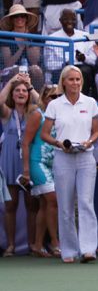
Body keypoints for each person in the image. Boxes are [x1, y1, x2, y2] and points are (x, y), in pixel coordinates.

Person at [41, 66, 98, 264]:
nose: (75, 83)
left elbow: (96, 132)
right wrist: (59, 143)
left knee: (86, 203)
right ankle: (68, 250)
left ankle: (88, 249)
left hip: (86, 157)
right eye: (71, 79)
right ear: (64, 82)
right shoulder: (54, 105)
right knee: (65, 206)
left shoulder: (90, 102)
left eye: (78, 79)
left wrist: (88, 142)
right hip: (63, 157)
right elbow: (45, 134)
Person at [0, 73, 40, 257]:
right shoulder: (7, 113)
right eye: (18, 90)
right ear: (12, 94)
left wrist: (30, 86)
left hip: (28, 163)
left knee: (32, 205)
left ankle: (32, 244)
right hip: (10, 163)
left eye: (24, 91)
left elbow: (44, 104)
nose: (21, 93)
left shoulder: (34, 113)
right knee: (10, 206)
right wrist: (11, 82)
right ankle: (10, 245)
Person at [21, 84, 61, 258]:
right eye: (52, 96)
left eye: (58, 96)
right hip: (38, 163)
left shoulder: (61, 115)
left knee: (45, 205)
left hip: (54, 163)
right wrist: (26, 170)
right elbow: (25, 142)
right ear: (44, 98)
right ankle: (55, 243)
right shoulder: (38, 115)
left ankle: (38, 244)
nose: (56, 99)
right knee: (53, 200)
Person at [0, 5, 43, 90]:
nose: (19, 18)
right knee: (18, 70)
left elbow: (34, 62)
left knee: (36, 70)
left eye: (22, 16)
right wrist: (21, 48)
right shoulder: (6, 38)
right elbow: (8, 63)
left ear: (26, 19)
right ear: (11, 19)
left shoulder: (34, 37)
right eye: (16, 16)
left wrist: (27, 42)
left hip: (29, 70)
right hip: (11, 71)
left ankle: (37, 97)